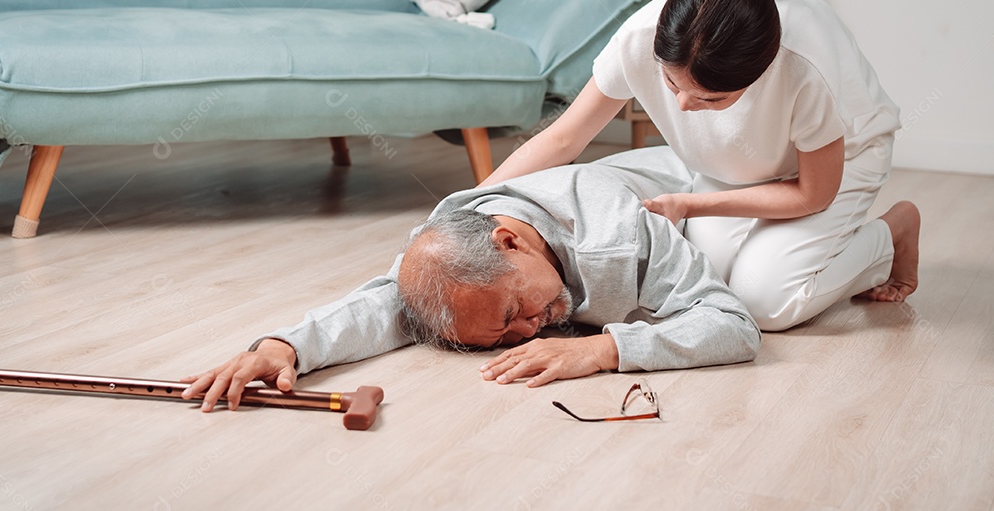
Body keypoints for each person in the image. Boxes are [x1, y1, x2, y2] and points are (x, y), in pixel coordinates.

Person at [480, 0, 920, 332]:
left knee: (766, 304)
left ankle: (891, 233)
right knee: (707, 286)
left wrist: (690, 205)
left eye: (712, 98)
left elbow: (811, 193)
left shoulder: (804, 66)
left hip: (838, 166)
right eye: (672, 85)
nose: (685, 106)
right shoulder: (646, 35)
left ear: (760, 73)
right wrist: (467, 208)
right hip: (730, 166)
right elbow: (564, 136)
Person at [181, 147, 761, 412]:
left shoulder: (620, 234)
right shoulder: (449, 247)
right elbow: (385, 307)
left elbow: (734, 326)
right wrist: (283, 347)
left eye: (513, 314)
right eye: (503, 336)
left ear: (510, 241)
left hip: (713, 190)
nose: (527, 334)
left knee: (773, 296)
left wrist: (608, 349)